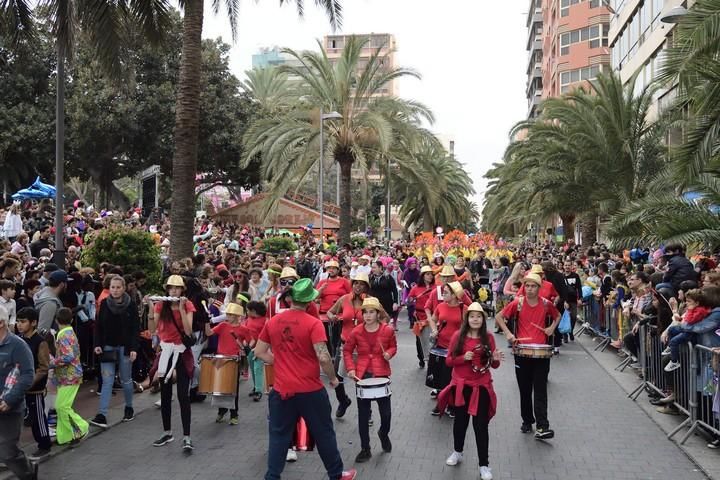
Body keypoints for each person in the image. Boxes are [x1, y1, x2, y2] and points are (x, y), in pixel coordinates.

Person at [253, 278, 357, 480]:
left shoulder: (273, 321)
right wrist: (333, 378)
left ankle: (272, 476)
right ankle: (336, 474)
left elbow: (259, 352)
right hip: (310, 390)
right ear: (310, 301)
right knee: (324, 433)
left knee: (278, 436)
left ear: (290, 299)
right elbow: (324, 357)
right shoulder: (313, 323)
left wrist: (281, 362)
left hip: (282, 390)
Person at [437, 303, 503, 480]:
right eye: (472, 316)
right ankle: (457, 452)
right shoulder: (458, 336)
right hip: (461, 386)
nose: (475, 319)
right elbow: (449, 361)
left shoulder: (488, 337)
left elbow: (493, 365)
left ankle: (484, 465)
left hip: (481, 387)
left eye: (479, 316)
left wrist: (496, 359)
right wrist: (462, 358)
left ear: (483, 319)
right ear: (467, 319)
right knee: (460, 422)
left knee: (480, 426)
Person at [495, 273, 560, 440]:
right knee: (524, 389)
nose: (530, 289)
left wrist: (551, 328)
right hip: (522, 352)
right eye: (527, 286)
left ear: (539, 288)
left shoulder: (546, 304)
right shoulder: (518, 303)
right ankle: (527, 420)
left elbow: (558, 315)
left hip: (541, 354)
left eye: (533, 286)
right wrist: (509, 333)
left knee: (540, 389)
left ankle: (542, 426)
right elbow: (499, 317)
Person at [343, 297, 397, 463]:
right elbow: (347, 351)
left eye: (371, 312)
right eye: (365, 312)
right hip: (363, 375)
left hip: (381, 374)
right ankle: (365, 448)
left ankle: (383, 433)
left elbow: (393, 346)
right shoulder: (356, 331)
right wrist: (351, 368)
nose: (367, 315)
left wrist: (389, 353)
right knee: (363, 416)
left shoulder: (387, 330)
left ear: (378, 313)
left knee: (386, 414)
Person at [152, 275, 196, 451]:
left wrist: (183, 309)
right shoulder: (161, 305)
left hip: (182, 352)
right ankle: (167, 432)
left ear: (182, 289)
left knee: (183, 396)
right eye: (171, 288)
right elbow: (153, 329)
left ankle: (187, 436)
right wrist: (150, 308)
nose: (174, 291)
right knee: (165, 394)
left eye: (177, 288)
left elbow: (188, 330)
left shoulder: (188, 304)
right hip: (166, 351)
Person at [90, 275, 140, 428]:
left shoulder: (131, 305)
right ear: (109, 288)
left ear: (124, 288)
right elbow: (98, 326)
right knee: (107, 380)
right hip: (108, 346)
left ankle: (129, 406)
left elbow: (135, 328)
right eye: (113, 287)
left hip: (125, 346)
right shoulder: (104, 304)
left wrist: (133, 348)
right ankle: (102, 414)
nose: (115, 290)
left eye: (118, 287)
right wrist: (97, 343)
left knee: (126, 379)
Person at [325, 272, 372, 418]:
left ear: (366, 287)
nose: (358, 286)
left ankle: (367, 412)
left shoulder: (370, 301)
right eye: (356, 283)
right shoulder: (344, 299)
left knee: (363, 380)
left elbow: (383, 317)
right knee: (337, 377)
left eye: (362, 284)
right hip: (345, 344)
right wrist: (332, 316)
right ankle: (344, 401)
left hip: (364, 346)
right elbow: (330, 312)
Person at [0, 304, 38, 480]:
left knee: (8, 453)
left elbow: (27, 375)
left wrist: (9, 399)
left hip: (9, 408)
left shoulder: (18, 345)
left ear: (1, 323)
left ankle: (29, 474)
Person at [205, 303, 252, 423]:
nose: (227, 315)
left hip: (234, 360)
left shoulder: (243, 329)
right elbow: (209, 333)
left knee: (232, 388)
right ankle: (222, 411)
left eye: (230, 314)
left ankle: (234, 414)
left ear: (237, 316)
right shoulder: (222, 325)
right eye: (227, 313)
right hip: (220, 359)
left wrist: (245, 347)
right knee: (220, 387)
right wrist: (206, 321)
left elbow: (250, 341)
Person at [15, 307, 52, 460]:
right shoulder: (19, 339)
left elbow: (43, 367)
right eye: (18, 321)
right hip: (20, 387)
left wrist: (29, 382)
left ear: (34, 322)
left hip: (35, 389)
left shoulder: (40, 342)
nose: (19, 325)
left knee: (38, 417)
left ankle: (44, 444)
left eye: (23, 322)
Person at [50, 307, 89, 445]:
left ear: (56, 320)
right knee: (62, 406)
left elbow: (67, 356)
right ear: (72, 319)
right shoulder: (70, 332)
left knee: (61, 406)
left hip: (69, 375)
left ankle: (81, 428)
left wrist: (52, 363)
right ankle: (65, 436)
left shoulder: (63, 335)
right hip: (71, 374)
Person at [428, 281, 467, 414]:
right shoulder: (440, 306)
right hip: (440, 346)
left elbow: (469, 327)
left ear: (455, 295)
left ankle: (451, 405)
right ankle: (441, 404)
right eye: (443, 291)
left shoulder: (464, 309)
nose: (443, 294)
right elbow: (433, 319)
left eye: (446, 292)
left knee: (451, 378)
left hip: (456, 348)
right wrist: (434, 330)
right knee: (439, 377)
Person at [662, 288, 711, 371]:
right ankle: (670, 347)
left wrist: (690, 310)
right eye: (687, 301)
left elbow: (691, 320)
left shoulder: (700, 310)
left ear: (697, 303)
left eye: (689, 301)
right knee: (672, 330)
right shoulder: (693, 309)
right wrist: (680, 319)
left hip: (691, 333)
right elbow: (687, 321)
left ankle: (674, 362)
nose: (687, 303)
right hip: (687, 328)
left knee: (674, 341)